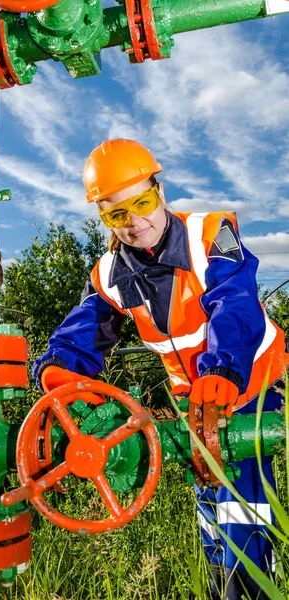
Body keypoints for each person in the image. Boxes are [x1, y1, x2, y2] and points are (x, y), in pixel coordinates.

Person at [32, 138, 288, 599]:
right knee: (210, 502)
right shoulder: (110, 272)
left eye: (143, 202)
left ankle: (249, 589)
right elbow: (87, 326)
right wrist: (60, 371)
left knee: (242, 505)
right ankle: (219, 587)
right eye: (116, 215)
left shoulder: (209, 233)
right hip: (195, 399)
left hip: (248, 382)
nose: (135, 222)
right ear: (104, 219)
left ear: (160, 189)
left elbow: (235, 303)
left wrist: (223, 369)